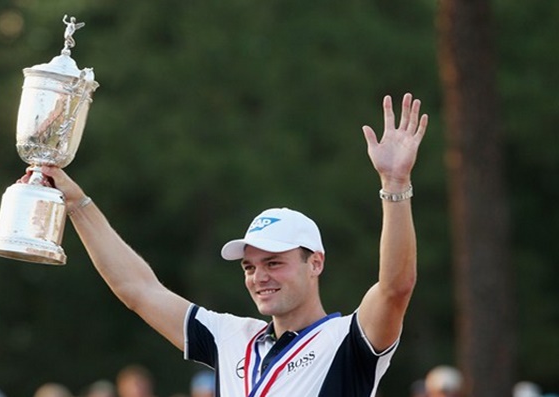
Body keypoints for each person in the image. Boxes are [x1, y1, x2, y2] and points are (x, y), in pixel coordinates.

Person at [35, 93, 428, 396]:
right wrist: (76, 204)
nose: (259, 277)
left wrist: (394, 185)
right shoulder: (232, 336)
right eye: (249, 266)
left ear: (315, 264)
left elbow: (396, 287)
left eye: (274, 263)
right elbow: (138, 290)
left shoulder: (349, 340)